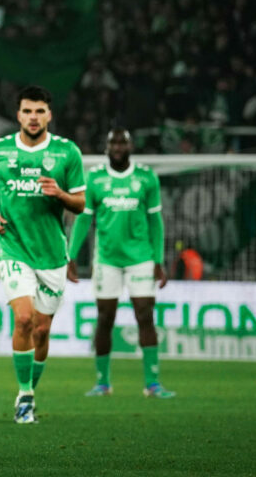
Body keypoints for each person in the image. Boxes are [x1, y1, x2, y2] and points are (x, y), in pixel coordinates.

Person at [0, 85, 85, 424]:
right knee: (23, 319)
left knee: (42, 332)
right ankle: (25, 396)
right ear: (18, 114)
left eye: (39, 111)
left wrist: (60, 194)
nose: (33, 118)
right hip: (13, 245)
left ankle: (28, 394)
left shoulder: (67, 153)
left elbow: (81, 203)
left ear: (49, 114)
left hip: (51, 253)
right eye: (27, 111)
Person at [68, 128, 175, 398]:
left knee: (144, 315)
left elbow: (155, 221)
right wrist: (71, 255)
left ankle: (152, 383)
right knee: (105, 318)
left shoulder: (146, 177)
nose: (117, 147)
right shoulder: (95, 178)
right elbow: (84, 219)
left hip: (140, 257)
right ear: (106, 147)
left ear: (130, 146)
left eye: (122, 143)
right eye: (113, 142)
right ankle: (102, 382)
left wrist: (159, 259)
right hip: (107, 259)